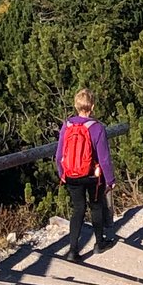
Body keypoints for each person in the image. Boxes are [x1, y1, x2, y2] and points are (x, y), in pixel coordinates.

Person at [56, 88, 115, 261]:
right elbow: (104, 158)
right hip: (92, 175)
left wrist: (62, 173)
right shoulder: (97, 128)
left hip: (72, 174)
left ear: (76, 105)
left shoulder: (67, 125)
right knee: (96, 206)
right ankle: (99, 243)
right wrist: (110, 179)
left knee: (78, 209)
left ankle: (73, 250)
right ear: (93, 106)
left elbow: (59, 154)